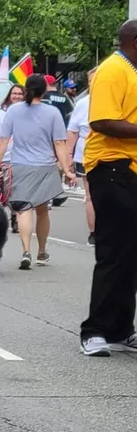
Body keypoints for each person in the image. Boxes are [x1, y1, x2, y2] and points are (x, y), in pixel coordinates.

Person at [80, 20, 137, 357]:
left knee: (130, 253)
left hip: (129, 168)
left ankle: (120, 327)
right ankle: (95, 330)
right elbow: (102, 121)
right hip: (111, 166)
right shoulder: (113, 70)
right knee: (113, 250)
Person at [0, 73, 74, 270]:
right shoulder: (53, 113)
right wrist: (67, 170)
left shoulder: (13, 111)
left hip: (20, 165)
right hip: (45, 167)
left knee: (23, 210)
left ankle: (26, 251)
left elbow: (3, 141)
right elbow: (59, 143)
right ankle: (41, 251)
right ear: (44, 89)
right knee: (42, 211)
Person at [65, 70, 96, 245]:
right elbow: (73, 130)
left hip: (114, 154)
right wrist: (69, 156)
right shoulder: (83, 104)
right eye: (91, 80)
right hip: (87, 155)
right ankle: (94, 232)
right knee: (91, 195)